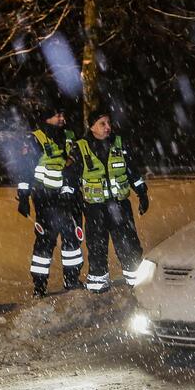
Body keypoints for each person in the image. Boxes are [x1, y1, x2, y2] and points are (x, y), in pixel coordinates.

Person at [66, 110, 149, 293]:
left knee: (129, 244)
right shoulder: (80, 147)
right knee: (96, 246)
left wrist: (142, 192)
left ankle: (136, 281)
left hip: (119, 206)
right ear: (92, 126)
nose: (108, 127)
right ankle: (98, 285)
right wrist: (70, 200)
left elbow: (132, 171)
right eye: (102, 123)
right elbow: (70, 178)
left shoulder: (119, 144)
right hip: (95, 209)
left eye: (108, 123)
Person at [17, 104, 83, 297]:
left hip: (69, 197)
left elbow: (77, 163)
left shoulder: (71, 135)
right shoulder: (35, 138)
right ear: (47, 118)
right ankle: (39, 286)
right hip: (45, 198)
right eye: (57, 115)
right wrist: (23, 197)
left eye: (63, 114)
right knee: (45, 241)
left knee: (72, 239)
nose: (62, 118)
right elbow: (25, 170)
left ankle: (71, 280)